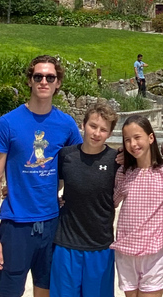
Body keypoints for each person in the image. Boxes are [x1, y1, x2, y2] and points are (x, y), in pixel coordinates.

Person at [0, 55, 84, 297]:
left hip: (52, 224)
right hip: (15, 225)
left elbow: (80, 165)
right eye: (38, 76)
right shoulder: (8, 123)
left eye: (50, 77)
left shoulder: (66, 125)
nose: (43, 81)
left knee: (47, 290)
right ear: (30, 81)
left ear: (58, 83)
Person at [50, 104, 120, 297]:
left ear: (110, 133)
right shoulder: (66, 156)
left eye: (103, 129)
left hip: (100, 246)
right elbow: (48, 184)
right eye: (93, 126)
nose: (97, 133)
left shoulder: (116, 160)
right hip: (66, 244)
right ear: (83, 125)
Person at [112, 115, 163, 297]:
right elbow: (111, 202)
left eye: (137, 137)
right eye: (127, 140)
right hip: (127, 250)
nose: (133, 144)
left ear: (151, 137)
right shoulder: (124, 173)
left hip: (155, 251)